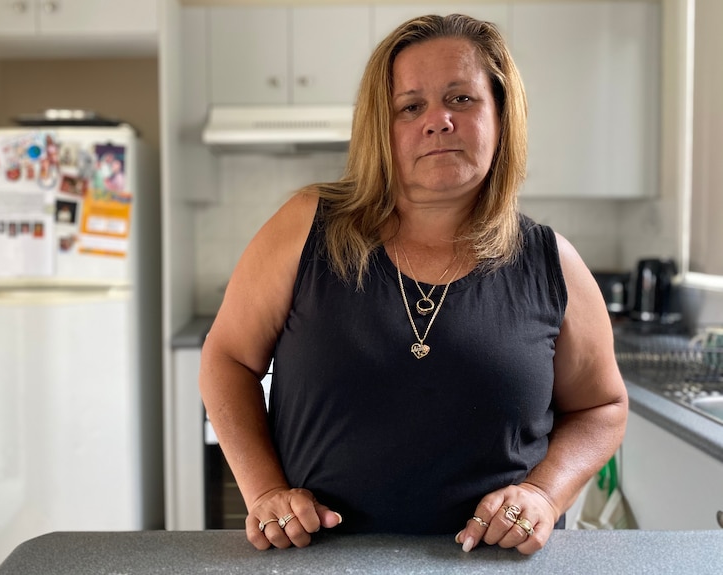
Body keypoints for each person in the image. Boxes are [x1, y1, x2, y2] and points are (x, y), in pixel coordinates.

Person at [198, 13, 627, 556]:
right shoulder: (306, 226)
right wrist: (265, 492)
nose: (438, 120)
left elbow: (603, 408)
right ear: (383, 127)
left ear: (501, 115)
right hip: (319, 562)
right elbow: (226, 360)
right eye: (410, 106)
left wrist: (544, 493)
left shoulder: (552, 262)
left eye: (462, 99)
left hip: (494, 567)